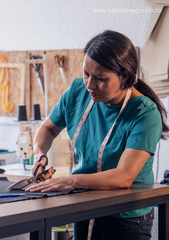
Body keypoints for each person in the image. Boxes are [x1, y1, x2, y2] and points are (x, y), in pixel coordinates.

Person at [26, 30, 168, 240]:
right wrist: (39, 155)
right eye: (86, 74)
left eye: (101, 79)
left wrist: (69, 182)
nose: (90, 85)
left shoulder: (144, 113)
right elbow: (47, 129)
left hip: (126, 217)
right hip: (85, 204)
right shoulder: (77, 91)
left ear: (125, 78)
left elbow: (123, 177)